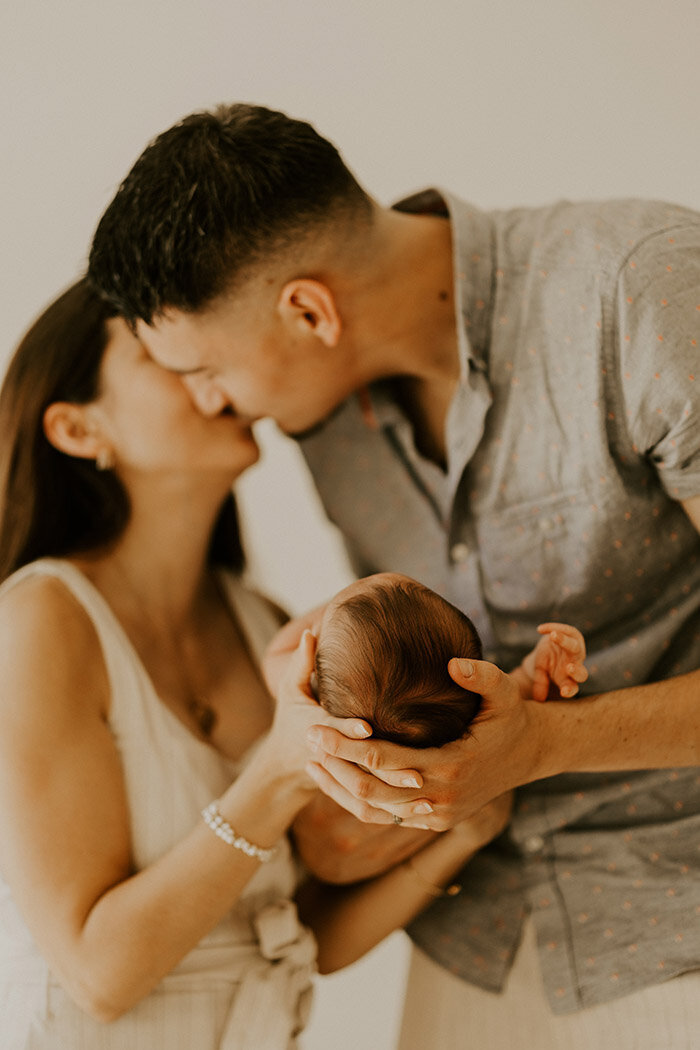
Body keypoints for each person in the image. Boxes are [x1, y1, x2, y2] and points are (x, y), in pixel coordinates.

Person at [86, 103, 700, 1047]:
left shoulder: (639, 287)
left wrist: (541, 740)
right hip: (473, 943)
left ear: (307, 311)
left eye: (207, 367)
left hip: (677, 924)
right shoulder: (328, 426)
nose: (211, 402)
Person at [0, 279, 513, 1050]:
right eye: (161, 355)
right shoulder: (40, 624)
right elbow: (97, 976)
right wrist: (277, 772)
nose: (207, 370)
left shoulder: (262, 625)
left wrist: (467, 829)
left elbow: (304, 936)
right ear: (77, 429)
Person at [285, 571, 587, 747]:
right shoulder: (468, 726)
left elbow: (275, 654)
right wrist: (535, 672)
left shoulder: (315, 715)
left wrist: (315, 633)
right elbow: (518, 694)